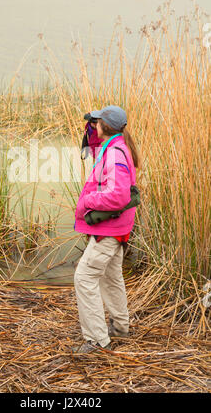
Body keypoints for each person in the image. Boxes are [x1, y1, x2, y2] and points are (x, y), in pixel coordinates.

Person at [73, 105, 140, 353]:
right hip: (116, 227)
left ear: (106, 126)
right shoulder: (113, 146)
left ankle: (96, 341)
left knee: (84, 278)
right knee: (111, 276)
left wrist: (87, 201)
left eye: (98, 121)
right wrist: (92, 126)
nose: (95, 123)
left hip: (109, 229)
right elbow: (93, 149)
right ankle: (121, 327)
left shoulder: (115, 154)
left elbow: (119, 196)